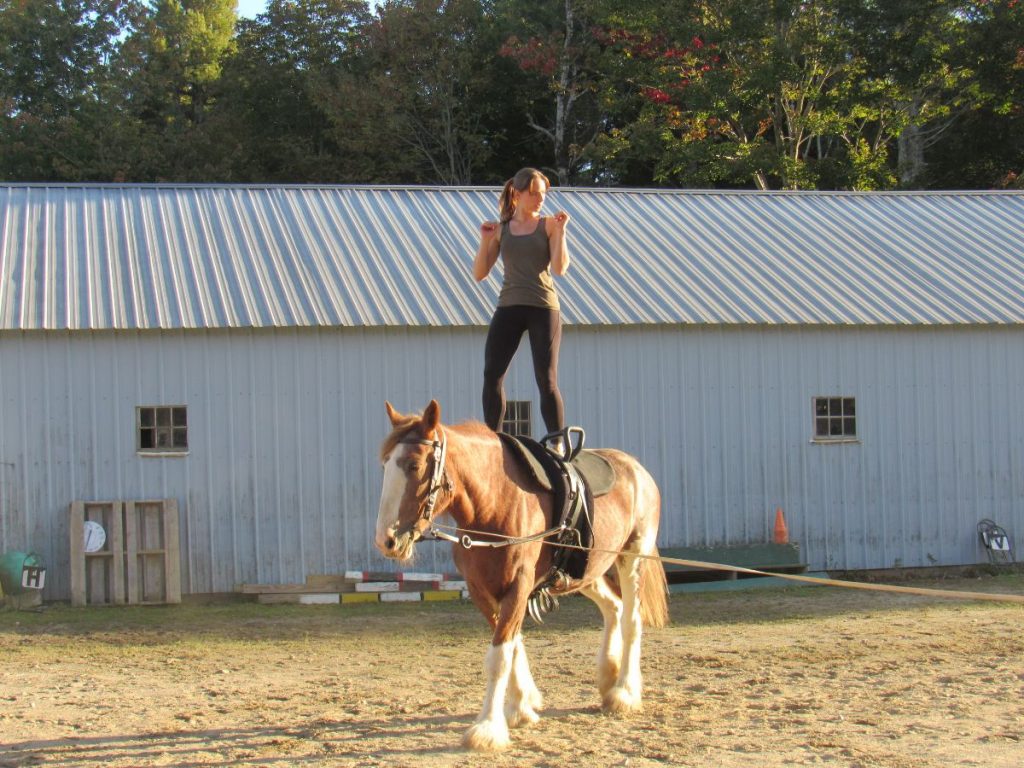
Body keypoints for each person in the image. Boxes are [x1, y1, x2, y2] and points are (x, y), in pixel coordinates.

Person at [473, 167, 571, 447]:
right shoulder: (501, 230)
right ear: (517, 194)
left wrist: (561, 232)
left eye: (543, 194)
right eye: (535, 193)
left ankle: (557, 443)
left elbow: (560, 268)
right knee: (492, 373)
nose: (541, 199)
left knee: (546, 378)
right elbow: (479, 273)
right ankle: (493, 440)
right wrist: (484, 239)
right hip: (509, 306)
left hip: (543, 307)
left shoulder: (550, 225)